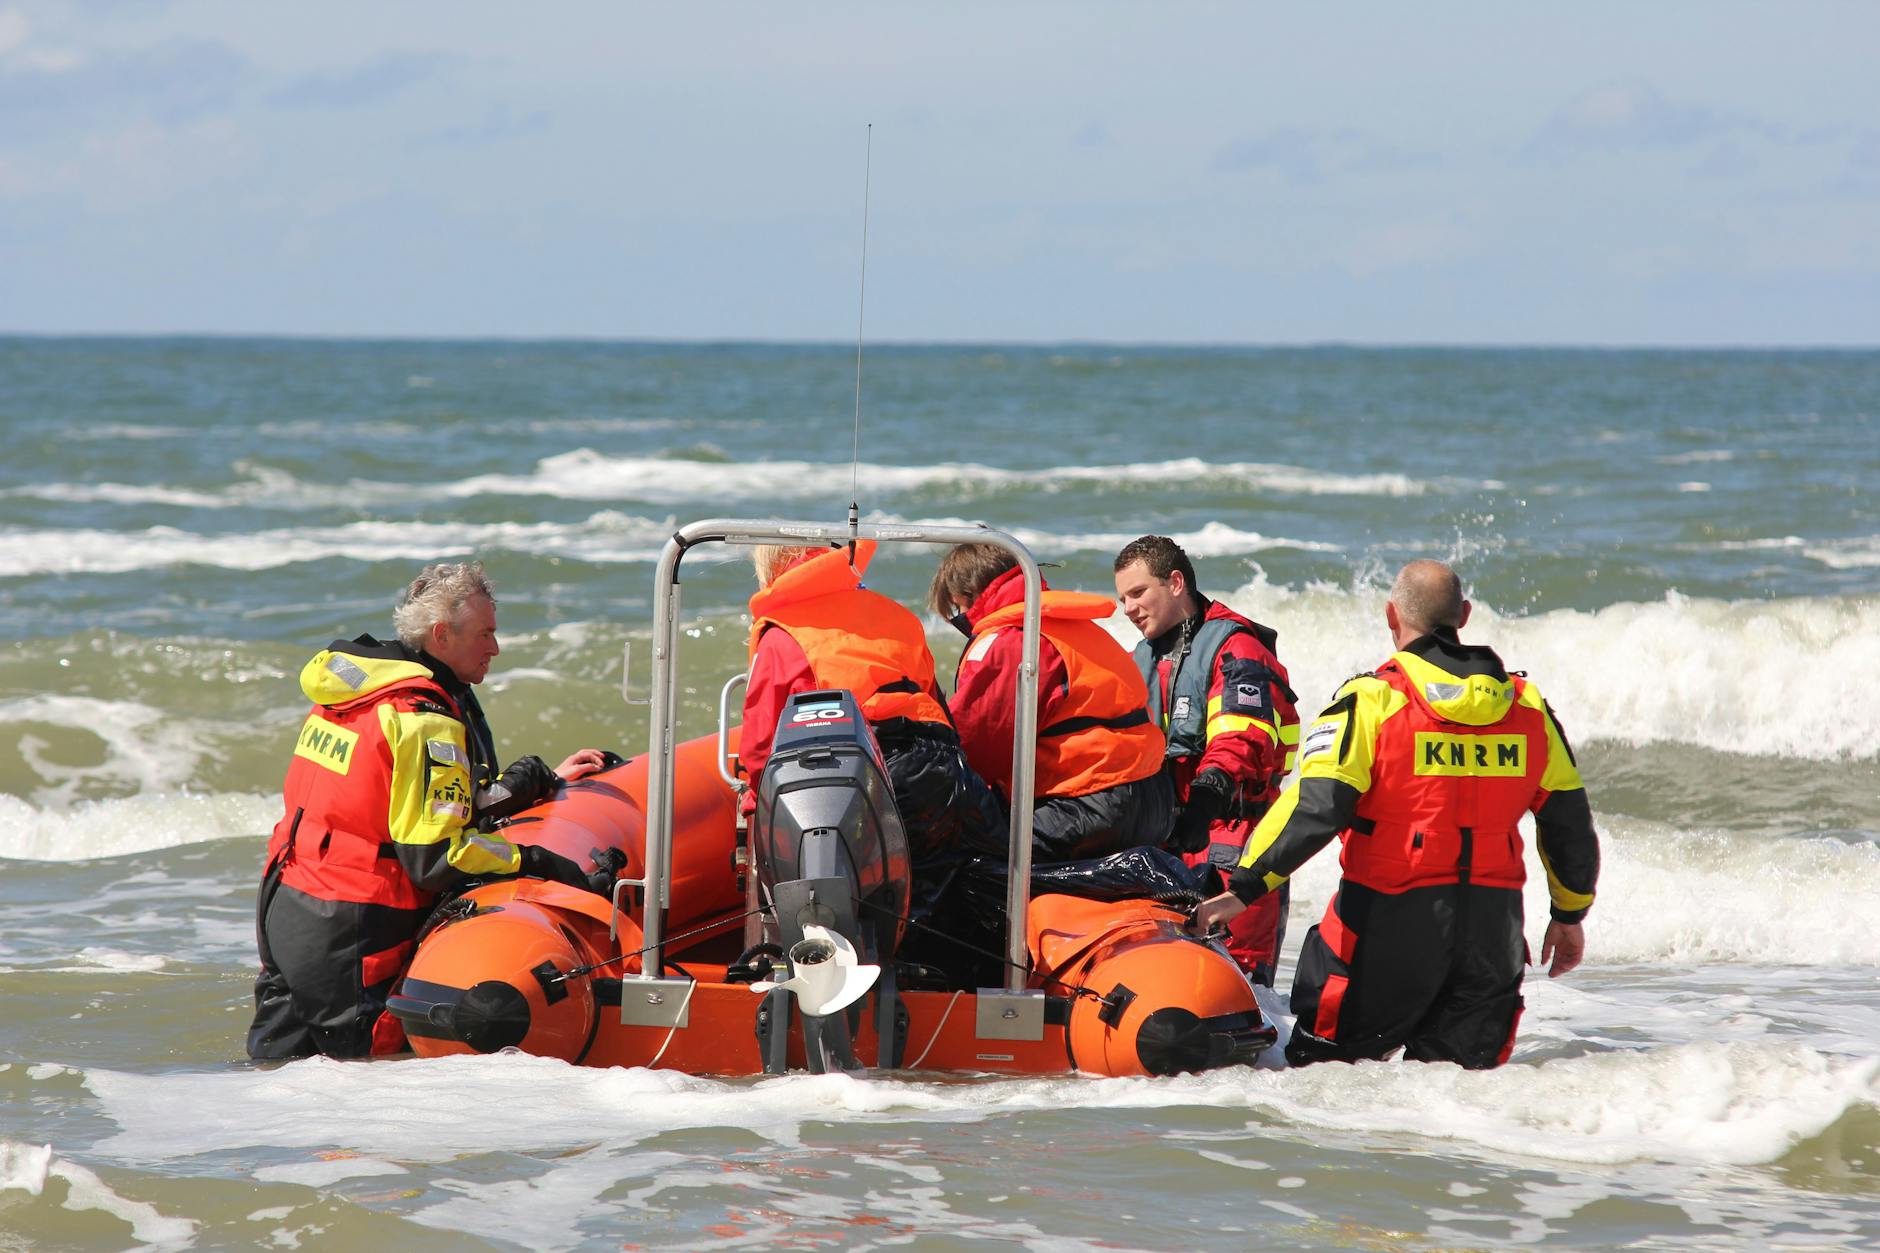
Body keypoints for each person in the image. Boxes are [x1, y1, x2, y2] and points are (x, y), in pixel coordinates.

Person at [1193, 560, 1600, 1069]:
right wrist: (1569, 915)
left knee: (1324, 1088)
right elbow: (1569, 824)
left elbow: (1315, 807)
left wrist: (1243, 888)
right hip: (1492, 938)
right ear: (1465, 615)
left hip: (1383, 932)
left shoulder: (1374, 700)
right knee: (1459, 1105)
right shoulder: (1528, 708)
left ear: (1391, 615)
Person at [247, 561, 613, 1061]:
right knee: (368, 1079)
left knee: (276, 1067)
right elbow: (437, 856)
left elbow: (390, 801)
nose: (495, 648)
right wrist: (541, 862)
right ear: (442, 634)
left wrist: (540, 784)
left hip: (286, 899)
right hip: (352, 922)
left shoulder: (356, 691)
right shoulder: (425, 718)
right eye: (485, 634)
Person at [740, 541, 1005, 932]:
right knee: (927, 897)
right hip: (936, 762)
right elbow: (934, 699)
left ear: (772, 572)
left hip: (857, 774)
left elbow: (761, 745)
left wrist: (754, 804)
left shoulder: (783, 633)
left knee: (840, 901)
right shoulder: (896, 615)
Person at [1113, 535, 1300, 987]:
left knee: (1239, 985)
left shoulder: (1237, 648)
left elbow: (1242, 739)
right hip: (1169, 843)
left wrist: (1202, 802)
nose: (1128, 608)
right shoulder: (1139, 660)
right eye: (1122, 598)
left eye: (1138, 593)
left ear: (1176, 582)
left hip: (1234, 844)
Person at [928, 542, 1172, 862]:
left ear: (967, 596)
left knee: (952, 854)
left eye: (957, 610)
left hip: (1088, 807)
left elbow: (976, 751)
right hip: (1153, 801)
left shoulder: (1011, 639)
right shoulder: (1075, 627)